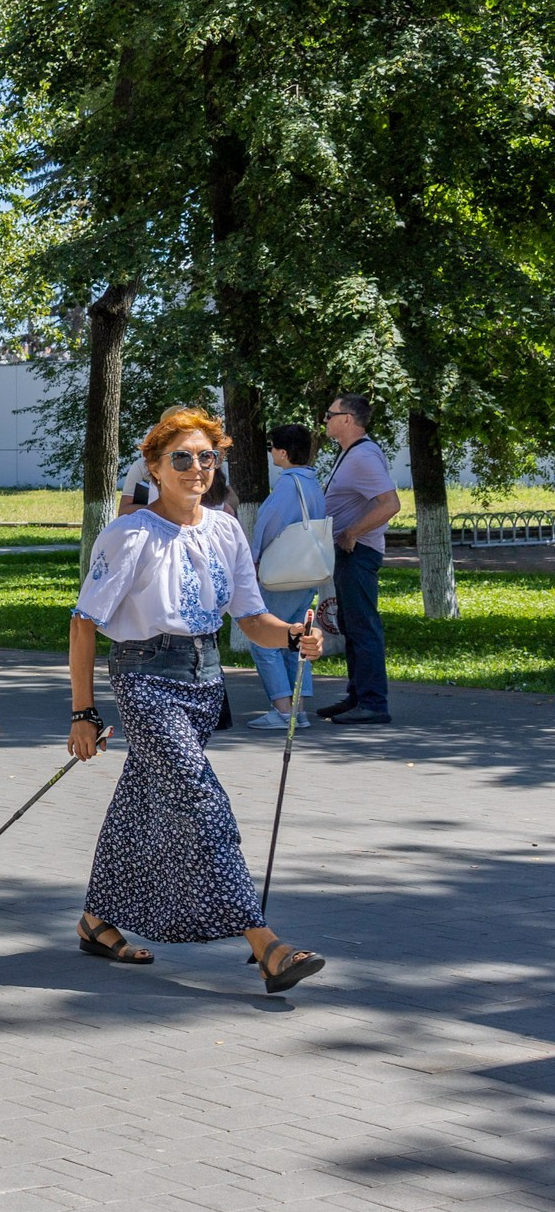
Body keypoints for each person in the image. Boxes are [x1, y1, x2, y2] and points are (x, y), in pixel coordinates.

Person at [69, 407, 329, 993]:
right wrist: (83, 712)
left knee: (141, 803)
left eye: (206, 457)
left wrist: (292, 636)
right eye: (180, 458)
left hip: (204, 683)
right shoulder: (129, 533)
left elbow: (252, 619)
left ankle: (96, 919)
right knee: (201, 801)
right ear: (155, 467)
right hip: (145, 678)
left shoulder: (224, 529)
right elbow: (84, 623)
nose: (196, 468)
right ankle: (264, 944)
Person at [318, 392, 398, 725]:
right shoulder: (351, 454)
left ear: (347, 420)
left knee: (363, 626)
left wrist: (351, 533)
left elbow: (390, 504)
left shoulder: (363, 456)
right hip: (348, 553)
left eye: (330, 414)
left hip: (357, 552)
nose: (325, 419)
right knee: (352, 625)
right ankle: (358, 696)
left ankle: (373, 703)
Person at [248, 424, 327, 730]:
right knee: (297, 639)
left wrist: (253, 558)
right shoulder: (312, 483)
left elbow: (269, 523)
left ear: (282, 452)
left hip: (283, 576)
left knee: (264, 639)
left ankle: (282, 709)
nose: (271, 453)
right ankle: (298, 710)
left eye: (272, 448)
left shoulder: (288, 484)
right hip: (307, 571)